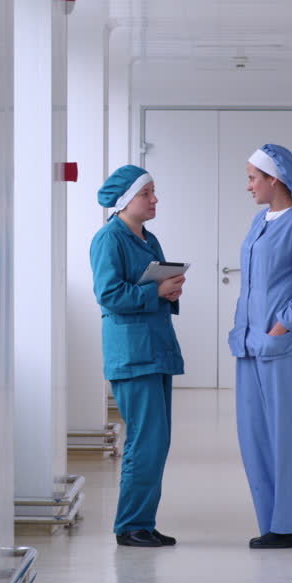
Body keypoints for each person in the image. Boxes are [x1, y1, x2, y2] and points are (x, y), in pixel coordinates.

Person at [228, 144, 292, 549]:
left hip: (282, 348)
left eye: (253, 177)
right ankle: (270, 523)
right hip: (249, 348)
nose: (248, 184)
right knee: (254, 437)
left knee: (287, 437)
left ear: (274, 180)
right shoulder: (259, 220)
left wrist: (281, 326)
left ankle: (291, 526)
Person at [89, 164, 186, 548]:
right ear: (127, 199)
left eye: (153, 192)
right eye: (147, 194)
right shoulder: (108, 240)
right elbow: (109, 295)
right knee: (143, 441)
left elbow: (153, 286)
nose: (154, 199)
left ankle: (143, 521)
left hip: (156, 348)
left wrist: (171, 291)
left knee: (157, 440)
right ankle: (130, 525)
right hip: (132, 353)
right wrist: (156, 293)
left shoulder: (149, 238)